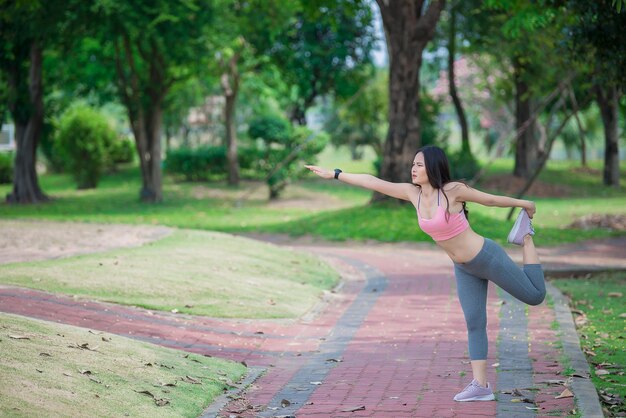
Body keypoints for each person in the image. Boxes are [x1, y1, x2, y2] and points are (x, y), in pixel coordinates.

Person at [305, 145, 545, 402]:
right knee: (474, 323)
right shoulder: (412, 193)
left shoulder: (452, 191)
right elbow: (374, 182)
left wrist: (525, 204)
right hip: (463, 267)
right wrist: (337, 173)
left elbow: (491, 200)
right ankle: (481, 386)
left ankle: (526, 238)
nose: (414, 169)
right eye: (413, 164)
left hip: (486, 257)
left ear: (433, 166)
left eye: (419, 164)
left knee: (535, 295)